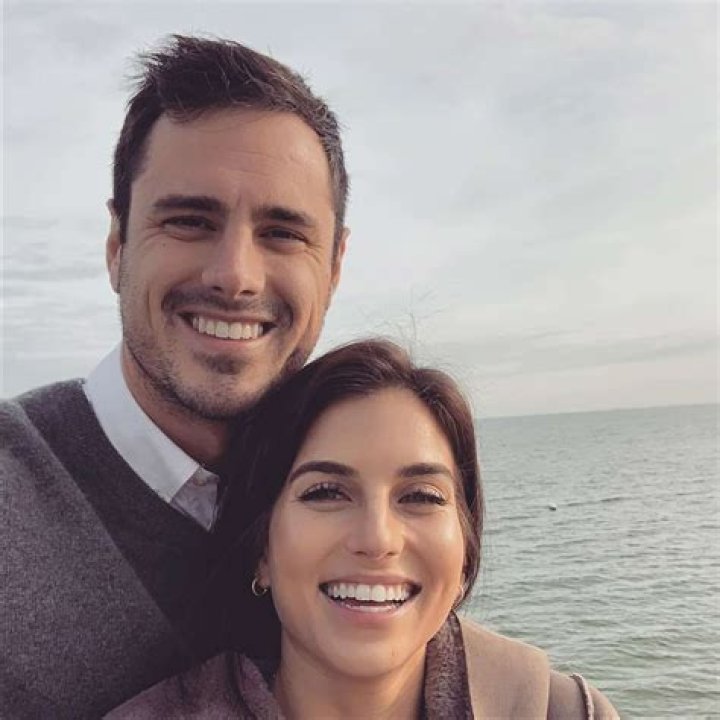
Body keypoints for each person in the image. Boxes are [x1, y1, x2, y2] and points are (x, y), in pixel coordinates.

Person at [0, 35, 348, 719]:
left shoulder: (360, 505)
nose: (235, 276)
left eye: (282, 233)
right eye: (190, 221)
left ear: (334, 269)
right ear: (117, 246)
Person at [108, 340, 619, 719]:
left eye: (421, 497)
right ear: (261, 548)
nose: (377, 539)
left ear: (465, 551)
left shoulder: (564, 713)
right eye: (326, 493)